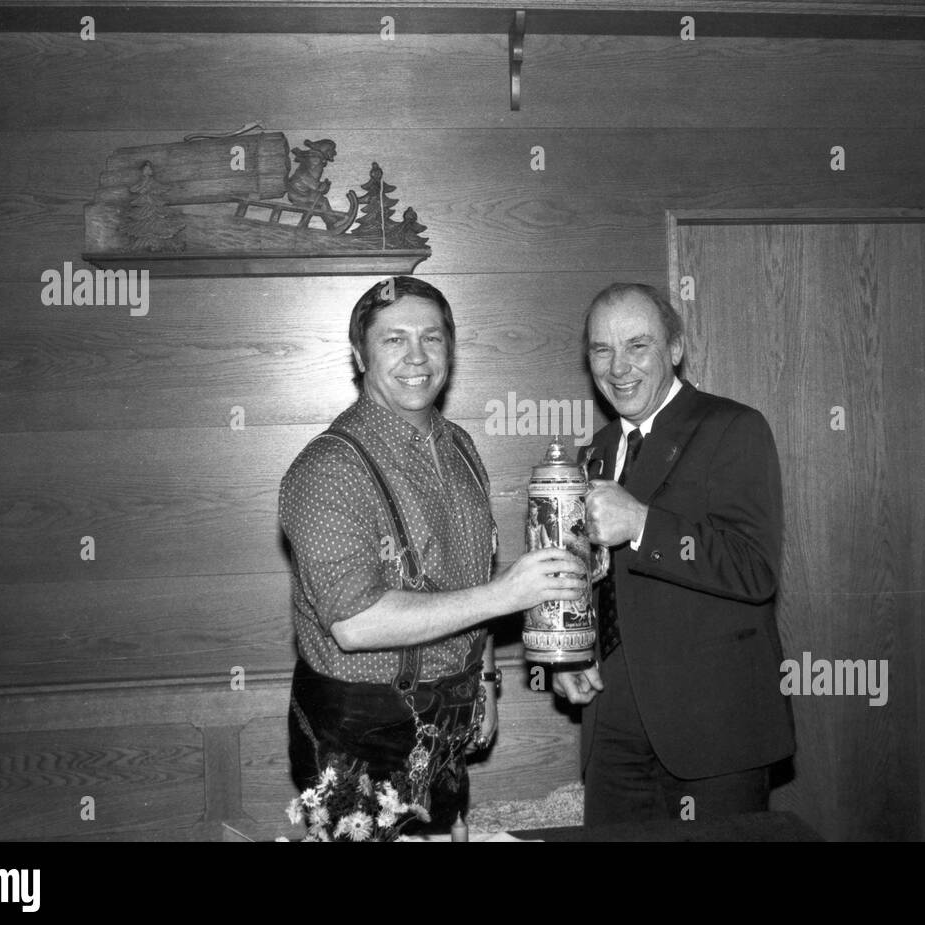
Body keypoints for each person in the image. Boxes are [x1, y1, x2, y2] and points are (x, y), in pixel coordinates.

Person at [280, 276, 585, 832]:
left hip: (444, 721)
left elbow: (474, 582)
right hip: (355, 733)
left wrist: (487, 681)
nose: (417, 357)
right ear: (359, 355)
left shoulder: (462, 447)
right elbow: (354, 623)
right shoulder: (328, 469)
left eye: (432, 338)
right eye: (394, 340)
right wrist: (506, 595)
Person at [552, 282, 794, 828]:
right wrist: (570, 654)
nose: (618, 368)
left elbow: (755, 570)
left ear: (676, 349)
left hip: (712, 732)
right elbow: (595, 580)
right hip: (610, 722)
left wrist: (640, 522)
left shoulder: (732, 427)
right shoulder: (594, 452)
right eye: (601, 350)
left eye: (638, 346)